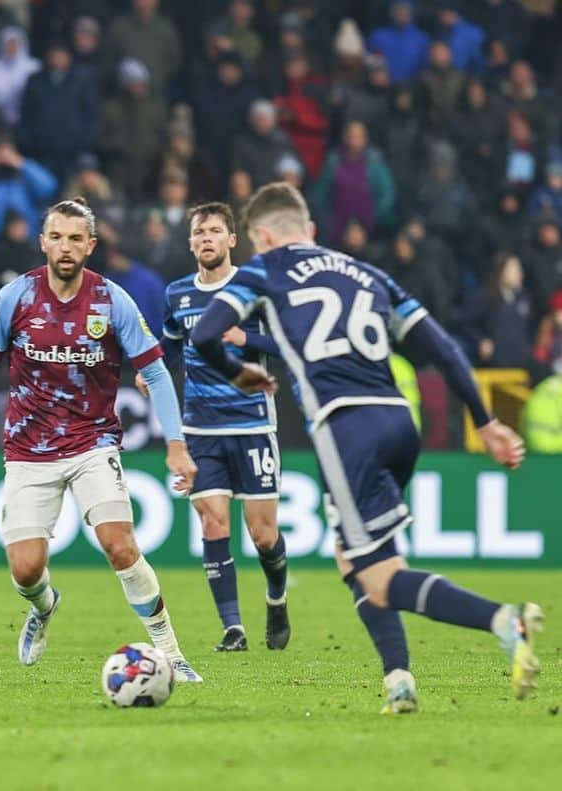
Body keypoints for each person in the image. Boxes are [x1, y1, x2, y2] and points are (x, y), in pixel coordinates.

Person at [188, 182, 543, 713]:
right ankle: (398, 678)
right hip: (400, 420)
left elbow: (203, 337)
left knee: (378, 577)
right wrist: (486, 421)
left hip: (344, 427)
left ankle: (503, 621)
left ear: (260, 236)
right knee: (354, 558)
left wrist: (237, 373)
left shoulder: (264, 270)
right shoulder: (368, 273)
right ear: (308, 230)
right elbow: (443, 348)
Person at [0, 198, 203, 682]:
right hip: (28, 450)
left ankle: (171, 652)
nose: (66, 247)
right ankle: (43, 607)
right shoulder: (14, 298)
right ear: (43, 242)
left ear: (91, 245)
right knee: (25, 569)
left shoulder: (112, 301)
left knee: (119, 544)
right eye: (57, 237)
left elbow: (156, 371)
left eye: (75, 238)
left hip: (92, 443)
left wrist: (175, 443)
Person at [137, 202, 290, 652]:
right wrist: (151, 372)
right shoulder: (178, 294)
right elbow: (167, 343)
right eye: (199, 231)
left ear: (231, 240)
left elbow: (288, 340)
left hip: (253, 425)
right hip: (200, 429)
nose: (206, 238)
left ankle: (277, 598)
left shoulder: (253, 288)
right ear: (191, 242)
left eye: (215, 231)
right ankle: (233, 628)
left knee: (263, 535)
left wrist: (247, 339)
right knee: (213, 524)